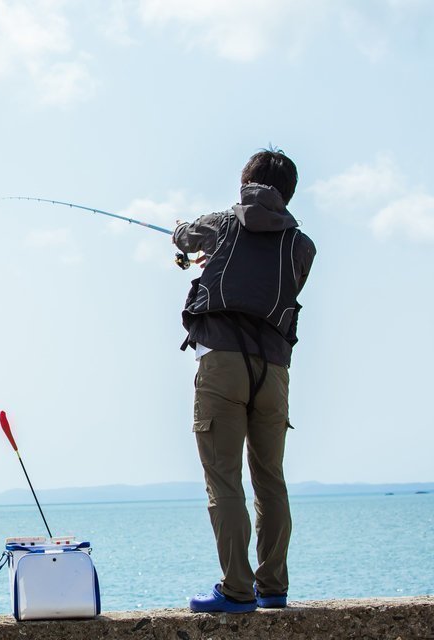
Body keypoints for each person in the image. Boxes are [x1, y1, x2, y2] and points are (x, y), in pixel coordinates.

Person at [173, 149, 316, 614]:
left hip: (223, 365)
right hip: (273, 372)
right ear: (289, 194)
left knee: (224, 479)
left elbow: (185, 236)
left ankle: (236, 590)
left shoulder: (220, 224)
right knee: (270, 480)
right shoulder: (302, 246)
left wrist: (185, 238)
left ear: (245, 184)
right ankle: (272, 587)